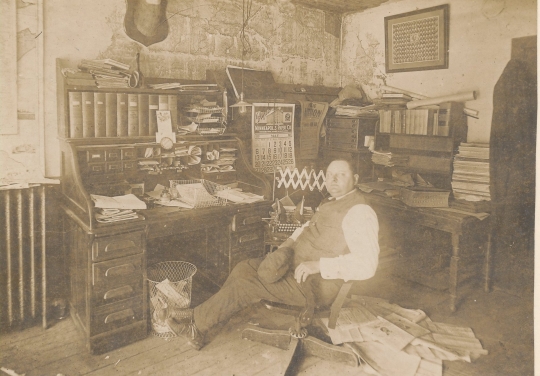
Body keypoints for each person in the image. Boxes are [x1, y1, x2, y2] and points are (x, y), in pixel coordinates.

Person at [162, 158, 380, 350]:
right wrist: (289, 242)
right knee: (244, 267)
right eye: (329, 175)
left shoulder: (359, 212)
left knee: (246, 286)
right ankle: (200, 316)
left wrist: (319, 266)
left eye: (341, 175)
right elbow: (306, 228)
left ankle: (196, 328)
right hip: (296, 267)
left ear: (356, 178)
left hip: (314, 285)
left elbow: (367, 265)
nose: (333, 180)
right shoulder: (331, 202)